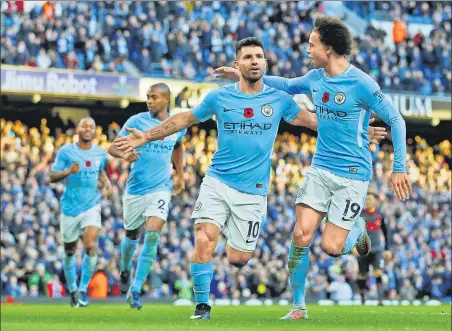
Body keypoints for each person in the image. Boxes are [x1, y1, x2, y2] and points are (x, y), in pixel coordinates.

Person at [113, 37, 386, 320]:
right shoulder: (219, 97)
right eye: (248, 57)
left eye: (259, 56)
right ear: (237, 64)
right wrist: (146, 135)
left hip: (253, 192)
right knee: (204, 237)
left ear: (265, 63)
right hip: (217, 181)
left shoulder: (278, 99)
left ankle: (351, 227)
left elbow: (315, 122)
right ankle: (202, 308)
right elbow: (184, 119)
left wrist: (359, 131)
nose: (254, 61)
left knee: (238, 259)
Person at [215, 16, 411, 320]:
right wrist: (241, 75)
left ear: (329, 49)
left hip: (353, 173)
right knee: (300, 235)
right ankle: (298, 306)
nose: (307, 49)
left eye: (312, 44)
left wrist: (399, 166)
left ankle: (356, 229)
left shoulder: (361, 83)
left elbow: (397, 120)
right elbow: (288, 85)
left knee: (332, 247)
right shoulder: (315, 77)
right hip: (320, 168)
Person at [107, 83, 186, 310]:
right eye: (148, 97)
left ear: (165, 100)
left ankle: (136, 289)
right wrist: (125, 153)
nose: (149, 101)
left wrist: (179, 175)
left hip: (161, 188)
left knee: (152, 236)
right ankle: (124, 269)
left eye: (154, 97)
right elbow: (112, 148)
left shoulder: (176, 124)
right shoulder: (136, 122)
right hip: (135, 190)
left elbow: (178, 146)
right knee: (131, 236)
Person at [50, 117, 112, 308]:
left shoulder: (100, 153)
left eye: (91, 126)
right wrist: (69, 171)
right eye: (84, 125)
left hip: (92, 205)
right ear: (77, 129)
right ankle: (73, 289)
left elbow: (99, 171)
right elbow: (52, 176)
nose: (87, 129)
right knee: (69, 250)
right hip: (70, 207)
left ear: (95, 131)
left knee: (90, 245)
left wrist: (106, 182)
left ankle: (83, 288)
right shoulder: (66, 151)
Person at [356, 190, 391, 305]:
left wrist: (387, 249)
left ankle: (380, 299)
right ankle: (362, 298)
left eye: (370, 199)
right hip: (363, 250)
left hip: (377, 249)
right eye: (366, 200)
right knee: (362, 274)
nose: (368, 201)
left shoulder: (380, 215)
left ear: (375, 201)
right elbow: (355, 232)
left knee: (377, 272)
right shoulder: (361, 215)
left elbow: (386, 233)